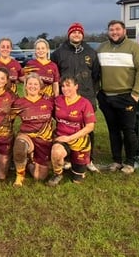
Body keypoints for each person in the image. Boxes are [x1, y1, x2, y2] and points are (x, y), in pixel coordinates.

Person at [96, 19, 139, 175]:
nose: (114, 32)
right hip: (106, 97)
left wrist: (136, 93)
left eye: (117, 29)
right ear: (108, 32)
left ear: (124, 31)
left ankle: (130, 162)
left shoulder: (134, 48)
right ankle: (116, 160)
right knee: (113, 130)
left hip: (126, 96)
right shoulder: (101, 48)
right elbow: (95, 70)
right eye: (111, 29)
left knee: (128, 130)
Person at [50, 23, 101, 173]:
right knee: (64, 125)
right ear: (69, 34)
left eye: (79, 32)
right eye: (74, 32)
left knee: (87, 129)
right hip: (65, 97)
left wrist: (92, 92)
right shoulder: (59, 52)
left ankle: (88, 159)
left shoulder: (91, 52)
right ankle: (65, 158)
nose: (76, 35)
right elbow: (54, 74)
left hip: (86, 96)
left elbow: (97, 75)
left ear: (83, 35)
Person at [48, 75, 96, 186]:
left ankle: (74, 164)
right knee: (57, 151)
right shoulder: (58, 100)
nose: (65, 89)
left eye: (68, 85)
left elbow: (90, 127)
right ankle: (58, 173)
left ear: (76, 86)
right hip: (61, 137)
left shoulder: (85, 103)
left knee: (77, 180)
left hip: (79, 141)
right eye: (63, 86)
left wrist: (69, 138)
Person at [11, 73, 55, 187]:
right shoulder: (19, 102)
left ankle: (30, 162)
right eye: (30, 84)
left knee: (39, 177)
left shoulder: (49, 101)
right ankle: (19, 176)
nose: (32, 86)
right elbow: (9, 120)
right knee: (20, 145)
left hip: (44, 140)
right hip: (27, 136)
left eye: (35, 84)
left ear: (40, 86)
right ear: (25, 86)